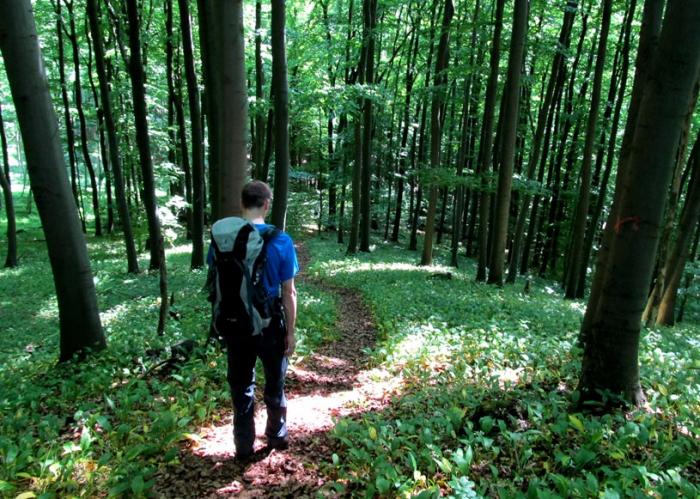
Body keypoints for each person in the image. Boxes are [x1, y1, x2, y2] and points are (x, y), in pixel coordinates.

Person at [209, 180, 299, 459]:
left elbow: (218, 283)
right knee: (274, 381)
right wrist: (291, 332)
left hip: (236, 323)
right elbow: (289, 291)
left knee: (241, 385)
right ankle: (275, 436)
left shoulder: (222, 240)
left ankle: (243, 447)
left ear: (242, 204)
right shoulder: (281, 240)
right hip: (270, 323)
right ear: (266, 204)